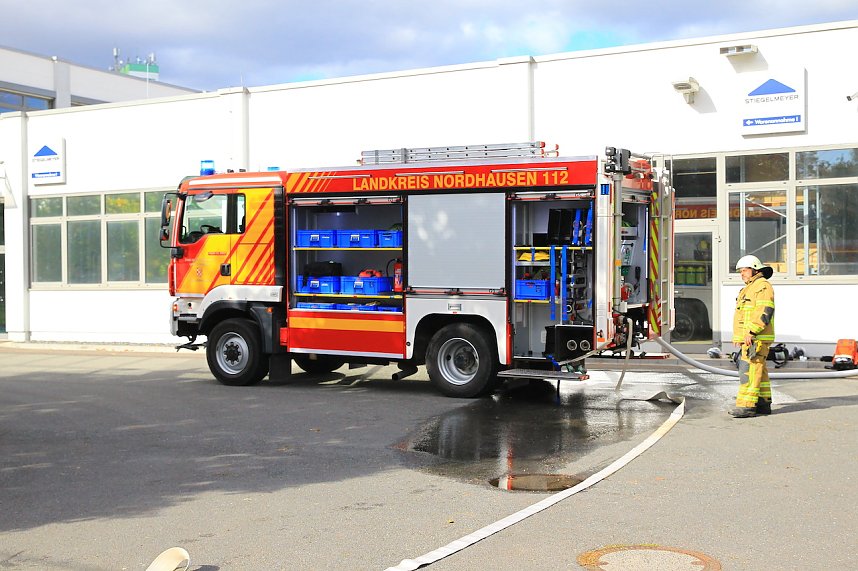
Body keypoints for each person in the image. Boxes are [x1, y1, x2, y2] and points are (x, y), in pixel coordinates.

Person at [731, 255, 775, 418]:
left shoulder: (762, 286)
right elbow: (742, 315)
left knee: (749, 371)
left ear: (755, 269)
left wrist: (751, 332)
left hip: (756, 337)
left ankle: (746, 406)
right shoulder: (749, 288)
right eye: (740, 271)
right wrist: (739, 337)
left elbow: (764, 312)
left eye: (744, 270)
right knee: (759, 370)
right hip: (751, 337)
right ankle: (763, 403)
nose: (742, 274)